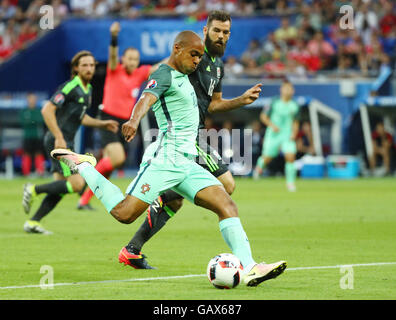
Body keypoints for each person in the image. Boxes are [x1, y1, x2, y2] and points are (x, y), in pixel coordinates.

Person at [51, 30, 286, 287]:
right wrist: (133, 119)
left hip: (187, 161)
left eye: (199, 56)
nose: (197, 60)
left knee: (227, 205)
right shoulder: (164, 73)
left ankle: (250, 266)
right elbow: (147, 98)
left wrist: (237, 93)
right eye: (193, 55)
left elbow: (211, 74)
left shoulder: (187, 76)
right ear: (178, 49)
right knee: (124, 213)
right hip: (164, 159)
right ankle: (84, 166)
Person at [120, 10, 263, 269]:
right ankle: (247, 262)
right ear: (205, 31)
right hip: (181, 136)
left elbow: (214, 104)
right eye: (217, 30)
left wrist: (240, 100)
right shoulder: (189, 56)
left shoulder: (217, 67)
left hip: (196, 134)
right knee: (227, 184)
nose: (221, 36)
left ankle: (133, 247)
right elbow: (161, 71)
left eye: (226, 32)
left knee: (177, 198)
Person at [22, 50, 119, 234]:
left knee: (60, 188)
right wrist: (59, 136)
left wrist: (102, 123)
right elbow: (47, 110)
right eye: (84, 65)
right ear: (76, 68)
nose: (89, 68)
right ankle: (33, 188)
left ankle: (33, 222)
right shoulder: (69, 87)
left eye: (91, 65)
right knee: (77, 184)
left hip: (65, 141)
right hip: (59, 141)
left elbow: (80, 118)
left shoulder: (87, 89)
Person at [77, 22, 162, 210]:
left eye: (136, 59)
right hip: (108, 118)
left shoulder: (140, 73)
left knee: (111, 166)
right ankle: (85, 172)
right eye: (130, 59)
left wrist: (179, 54)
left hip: (126, 123)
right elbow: (112, 55)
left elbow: (160, 66)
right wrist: (114, 38)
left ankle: (84, 199)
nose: (133, 62)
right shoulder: (114, 69)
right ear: (124, 59)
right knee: (117, 158)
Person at [253, 80, 300, 192]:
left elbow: (296, 122)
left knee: (290, 157)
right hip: (273, 134)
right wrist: (272, 125)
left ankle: (290, 183)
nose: (288, 91)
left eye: (290, 89)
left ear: (293, 91)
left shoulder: (295, 105)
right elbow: (263, 116)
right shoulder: (274, 102)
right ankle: (259, 168)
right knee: (267, 158)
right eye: (286, 88)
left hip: (287, 135)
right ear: (281, 90)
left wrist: (294, 133)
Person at [19, 93, 45, 176]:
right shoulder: (24, 110)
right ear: (27, 100)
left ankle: (40, 172)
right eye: (30, 99)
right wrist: (33, 121)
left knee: (39, 153)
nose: (32, 101)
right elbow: (23, 121)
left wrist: (31, 120)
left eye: (34, 99)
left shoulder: (39, 110)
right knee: (27, 153)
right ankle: (26, 173)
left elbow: (41, 120)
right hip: (27, 136)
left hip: (37, 136)